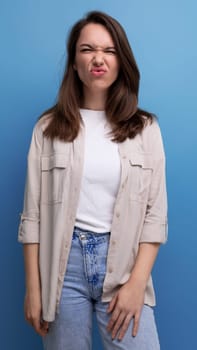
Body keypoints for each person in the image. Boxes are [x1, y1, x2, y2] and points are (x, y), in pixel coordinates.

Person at [18, 10, 167, 350]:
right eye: (87, 49)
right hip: (62, 268)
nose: (98, 59)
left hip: (124, 266)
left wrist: (136, 283)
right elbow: (33, 217)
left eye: (109, 50)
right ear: (74, 62)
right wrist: (34, 289)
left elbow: (155, 216)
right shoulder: (48, 129)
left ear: (120, 61)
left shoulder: (146, 129)